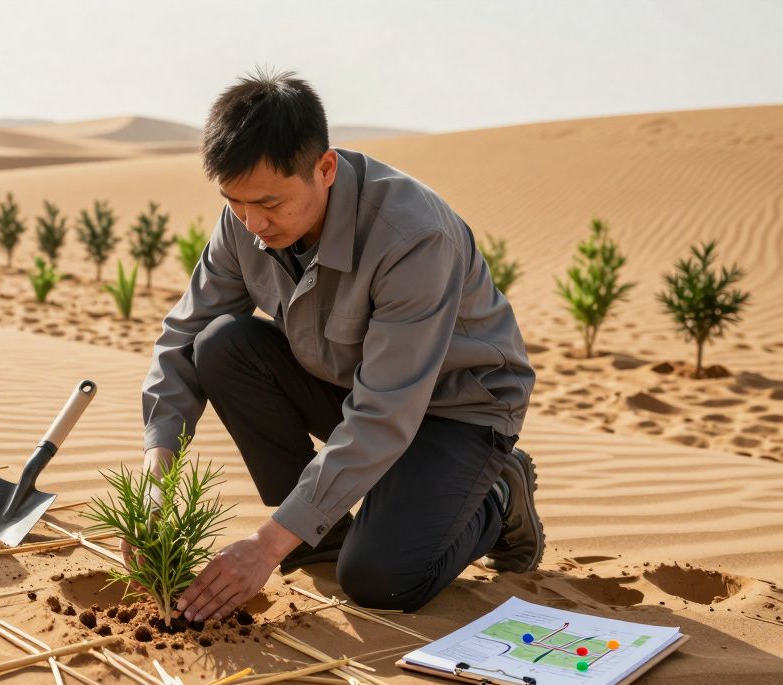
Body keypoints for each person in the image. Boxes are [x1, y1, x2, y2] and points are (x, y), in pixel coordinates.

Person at [134, 70, 542, 622]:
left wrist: (264, 546)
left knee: (382, 581)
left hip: (457, 411)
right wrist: (157, 473)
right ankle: (319, 537)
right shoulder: (247, 222)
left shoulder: (413, 237)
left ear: (324, 169)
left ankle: (497, 495)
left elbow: (385, 411)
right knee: (221, 345)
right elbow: (183, 339)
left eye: (270, 204)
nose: (253, 224)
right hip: (352, 387)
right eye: (234, 202)